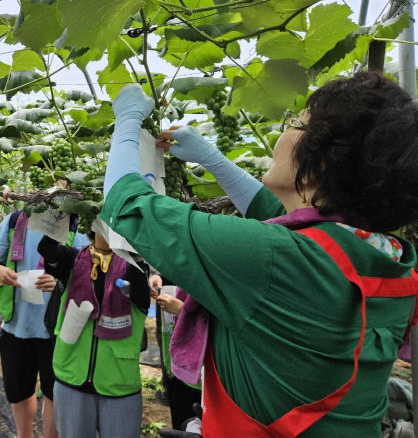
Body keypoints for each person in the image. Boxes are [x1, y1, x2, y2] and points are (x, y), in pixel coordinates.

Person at [100, 73, 418, 437]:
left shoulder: (273, 259)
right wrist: (212, 159)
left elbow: (127, 206)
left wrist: (126, 121)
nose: (286, 132)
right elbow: (288, 220)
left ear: (321, 162)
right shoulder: (389, 260)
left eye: (296, 123)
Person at [0, 209, 88, 438]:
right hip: (16, 326)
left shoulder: (74, 224)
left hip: (56, 329)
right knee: (19, 391)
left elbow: (84, 272)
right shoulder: (13, 221)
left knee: (54, 393)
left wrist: (60, 281)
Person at [37, 232, 150, 438]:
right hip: (71, 375)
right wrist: (68, 210)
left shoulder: (133, 267)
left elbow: (140, 294)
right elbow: (46, 248)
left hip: (119, 383)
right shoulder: (73, 259)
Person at [148, 273, 201, 432]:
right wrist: (158, 278)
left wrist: (182, 311)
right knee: (181, 422)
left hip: (205, 373)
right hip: (176, 365)